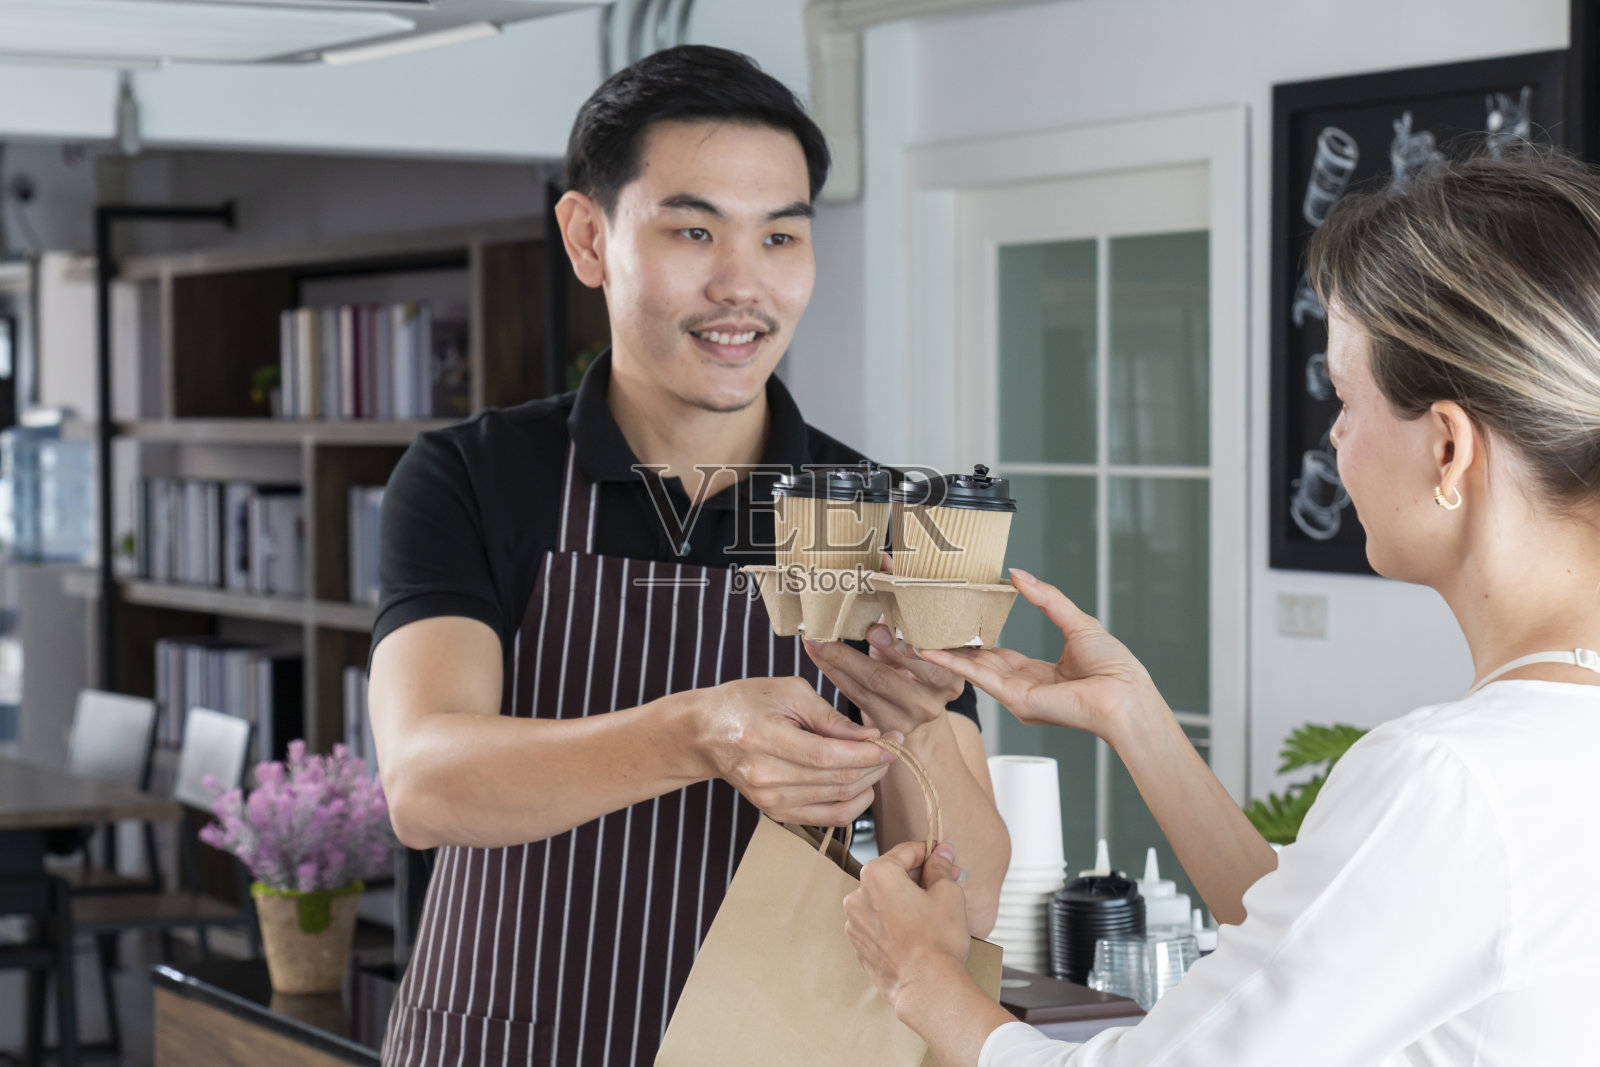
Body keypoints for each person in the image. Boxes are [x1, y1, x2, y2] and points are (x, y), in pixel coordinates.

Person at [839, 150, 1600, 1066]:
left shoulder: (1453, 781)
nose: (1335, 436)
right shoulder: (1541, 756)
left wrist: (923, 974)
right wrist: (1135, 717)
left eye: (1344, 398)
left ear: (1447, 449)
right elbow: (1325, 954)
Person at [367, 45, 1008, 1066]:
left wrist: (914, 722)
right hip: (500, 1036)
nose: (742, 284)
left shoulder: (887, 513)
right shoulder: (475, 476)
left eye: (780, 236)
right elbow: (424, 784)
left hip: (769, 1044)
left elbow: (968, 893)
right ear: (589, 237)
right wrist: (701, 732)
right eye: (694, 229)